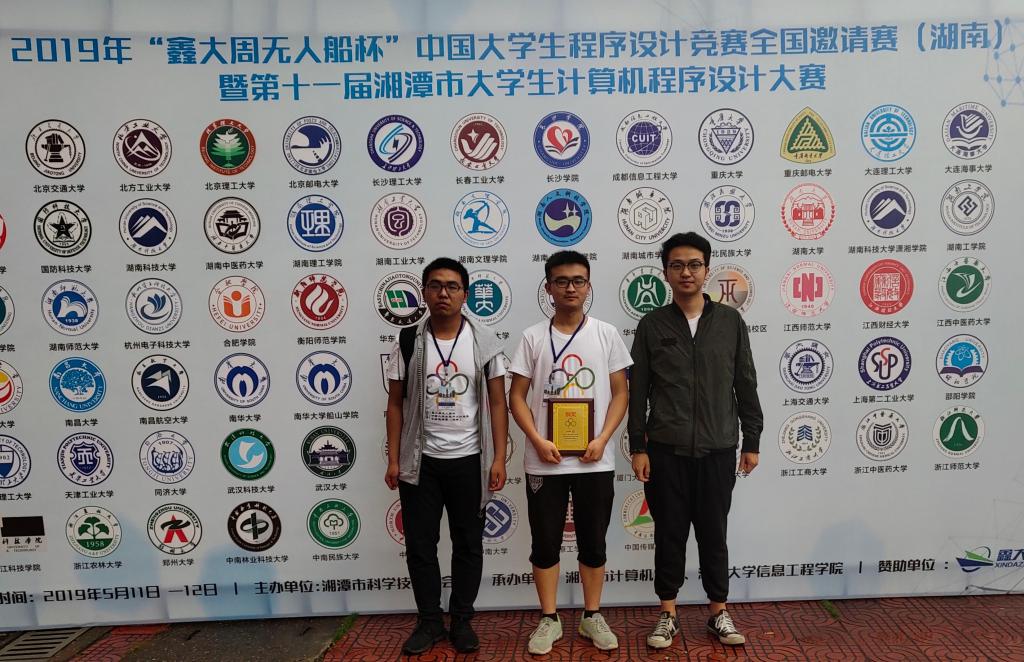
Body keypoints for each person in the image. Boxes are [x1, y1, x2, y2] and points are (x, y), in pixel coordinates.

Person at [628, 232, 763, 649]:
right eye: (677, 265)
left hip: (718, 448)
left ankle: (718, 612)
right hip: (665, 450)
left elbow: (745, 381)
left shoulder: (730, 322)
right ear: (666, 272)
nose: (686, 272)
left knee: (713, 533)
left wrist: (752, 439)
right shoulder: (652, 325)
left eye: (694, 264)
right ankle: (667, 614)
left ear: (706, 269)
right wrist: (638, 446)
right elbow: (638, 390)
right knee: (669, 533)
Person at [508, 250, 632, 654]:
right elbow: (516, 396)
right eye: (561, 281)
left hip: (595, 459)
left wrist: (603, 438)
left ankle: (592, 615)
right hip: (545, 461)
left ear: (589, 285)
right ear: (548, 287)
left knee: (593, 542)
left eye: (578, 280)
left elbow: (621, 393)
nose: (571, 288)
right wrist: (537, 439)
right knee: (545, 543)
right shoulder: (532, 337)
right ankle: (549, 618)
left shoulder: (606, 334)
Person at [384, 257, 509, 655]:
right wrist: (394, 459)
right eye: (435, 285)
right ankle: (429, 621)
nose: (444, 293)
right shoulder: (408, 340)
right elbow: (395, 404)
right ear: (424, 293)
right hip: (421, 463)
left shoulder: (485, 342)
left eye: (452, 286)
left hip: (469, 460)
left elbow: (498, 403)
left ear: (465, 294)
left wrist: (499, 458)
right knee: (421, 545)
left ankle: (462, 620)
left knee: (468, 543)